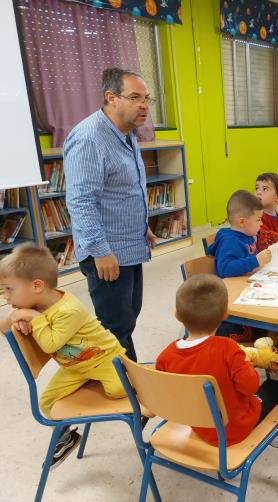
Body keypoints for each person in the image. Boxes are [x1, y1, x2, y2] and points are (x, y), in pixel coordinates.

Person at [0, 244, 126, 467]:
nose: (6, 297)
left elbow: (50, 344)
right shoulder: (35, 304)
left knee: (118, 391)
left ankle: (133, 376)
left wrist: (32, 317)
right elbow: (3, 328)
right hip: (75, 368)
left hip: (105, 359)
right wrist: (16, 317)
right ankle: (67, 437)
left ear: (37, 285)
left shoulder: (68, 310)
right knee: (47, 403)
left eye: (9, 289)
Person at [64, 68, 157, 362]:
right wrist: (101, 251)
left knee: (127, 318)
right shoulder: (90, 139)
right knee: (115, 329)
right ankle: (125, 385)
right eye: (135, 97)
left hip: (129, 245)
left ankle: (126, 376)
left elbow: (126, 189)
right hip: (107, 253)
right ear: (111, 97)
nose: (143, 106)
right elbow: (80, 201)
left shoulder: (127, 133)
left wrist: (143, 226)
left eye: (146, 98)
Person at [156, 274, 278, 447]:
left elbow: (168, 394)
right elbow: (249, 387)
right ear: (225, 314)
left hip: (200, 427)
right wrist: (247, 364)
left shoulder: (166, 356)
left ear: (177, 315)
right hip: (235, 430)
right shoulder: (228, 349)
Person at [207, 190, 272, 278]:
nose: (261, 223)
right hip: (231, 285)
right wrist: (255, 261)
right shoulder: (229, 241)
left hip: (247, 280)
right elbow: (225, 269)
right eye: (258, 219)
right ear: (242, 222)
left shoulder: (248, 235)